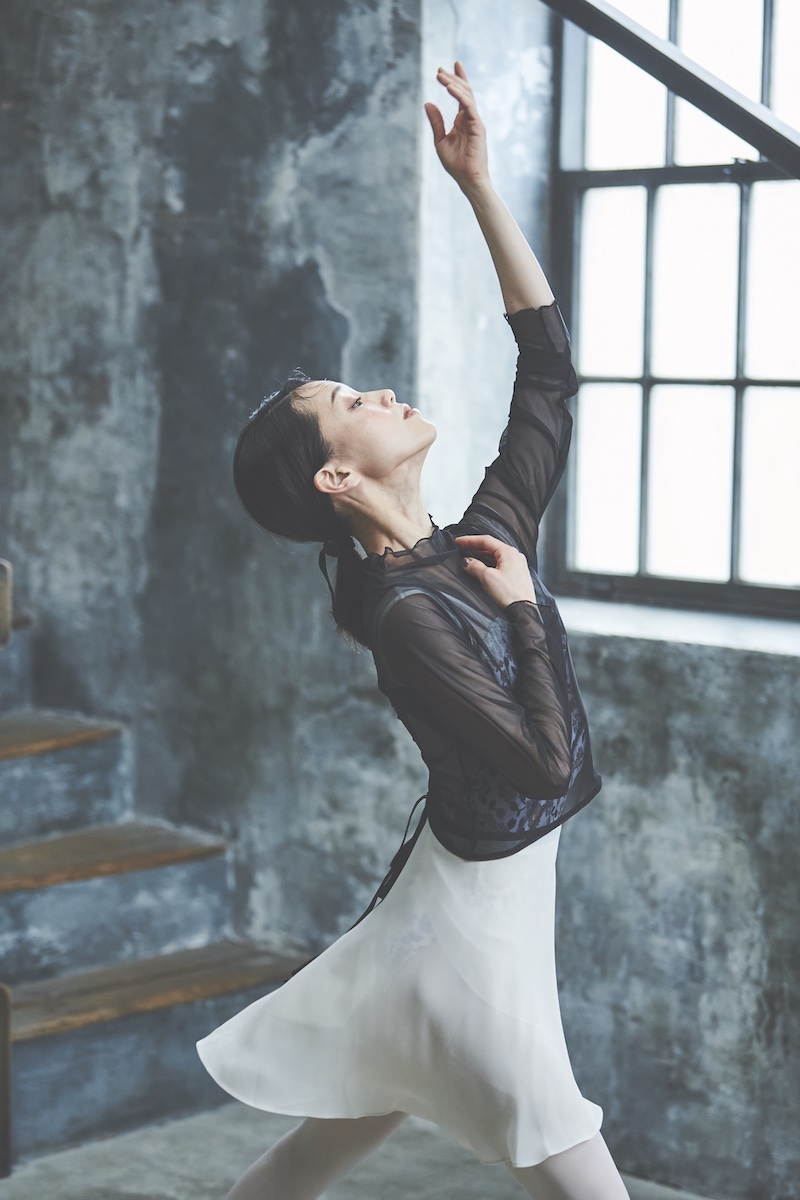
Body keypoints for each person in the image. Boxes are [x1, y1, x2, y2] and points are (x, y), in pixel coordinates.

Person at [197, 61, 631, 1200]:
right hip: (471, 938)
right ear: (338, 475)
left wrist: (479, 187)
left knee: (318, 1148)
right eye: (352, 404)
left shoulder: (469, 544)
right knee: (570, 1166)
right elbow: (543, 759)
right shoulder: (403, 617)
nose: (381, 392)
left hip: (453, 901)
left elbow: (547, 373)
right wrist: (527, 611)